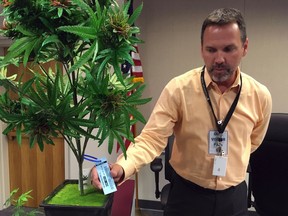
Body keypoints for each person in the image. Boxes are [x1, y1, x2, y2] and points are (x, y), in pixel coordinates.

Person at [91, 8, 272, 216]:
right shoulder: (179, 89)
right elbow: (152, 138)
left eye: (228, 49)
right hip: (187, 197)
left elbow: (253, 142)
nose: (219, 59)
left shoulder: (260, 96)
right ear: (201, 49)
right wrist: (123, 167)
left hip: (233, 200)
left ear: (244, 47)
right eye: (211, 50)